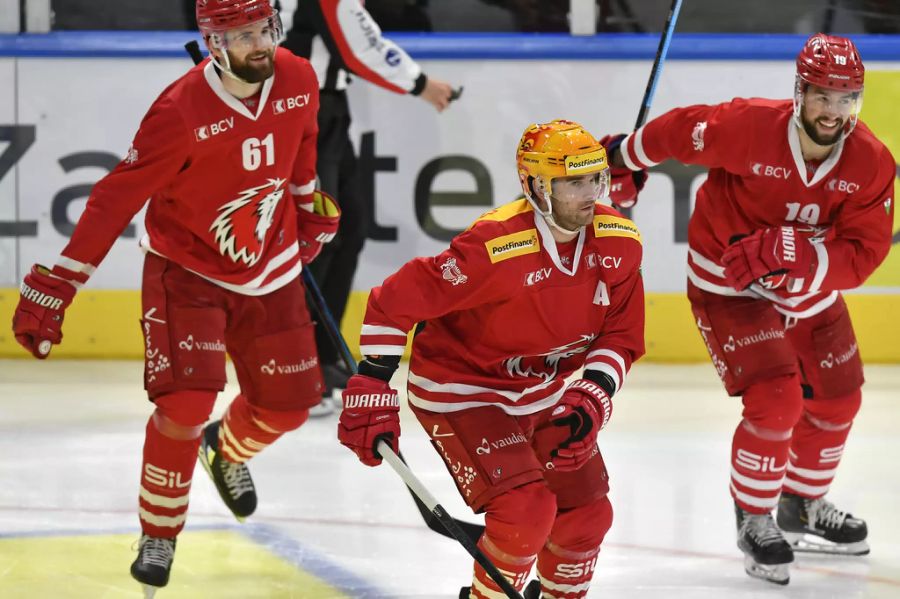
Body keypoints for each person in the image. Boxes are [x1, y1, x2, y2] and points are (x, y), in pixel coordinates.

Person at [11, 1, 340, 595]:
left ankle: (226, 448)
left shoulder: (298, 76)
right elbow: (115, 198)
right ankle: (160, 531)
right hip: (185, 272)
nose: (259, 44)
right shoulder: (178, 111)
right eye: (241, 35)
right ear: (213, 44)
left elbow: (303, 147)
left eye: (263, 29)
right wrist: (58, 283)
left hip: (274, 270)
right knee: (186, 404)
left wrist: (308, 204)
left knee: (288, 410)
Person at [604, 33, 895, 585]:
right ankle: (756, 518)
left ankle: (801, 506)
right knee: (777, 401)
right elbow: (676, 130)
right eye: (821, 96)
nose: (832, 112)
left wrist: (798, 253)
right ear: (799, 92)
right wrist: (623, 156)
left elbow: (864, 253)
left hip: (805, 288)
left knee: (840, 396)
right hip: (728, 285)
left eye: (845, 99)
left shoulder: (873, 162)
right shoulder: (748, 127)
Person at [337, 120, 646, 598]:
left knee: (587, 515)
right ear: (536, 186)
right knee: (525, 513)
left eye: (594, 180)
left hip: (541, 391)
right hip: (462, 391)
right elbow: (392, 301)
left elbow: (622, 335)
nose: (588, 195)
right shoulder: (496, 248)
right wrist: (373, 384)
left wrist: (593, 392)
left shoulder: (619, 243)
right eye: (572, 182)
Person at [281, 0, 457, 416]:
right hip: (302, 109)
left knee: (349, 225)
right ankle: (297, 367)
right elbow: (357, 44)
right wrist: (420, 83)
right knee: (319, 234)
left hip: (326, 107)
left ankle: (322, 355)